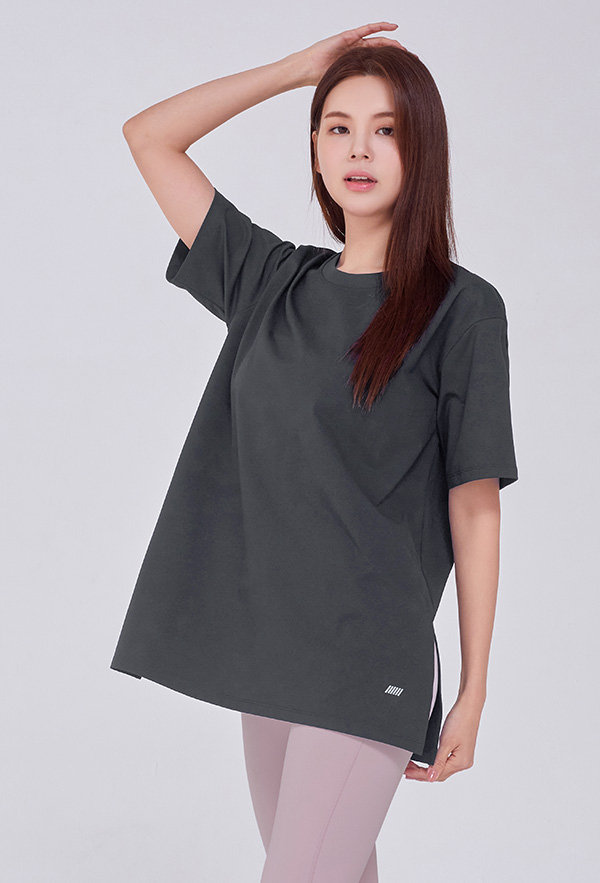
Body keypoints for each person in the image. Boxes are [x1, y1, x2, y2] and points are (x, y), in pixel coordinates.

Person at [110, 21, 519, 882]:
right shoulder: (272, 281)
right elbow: (149, 137)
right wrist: (296, 70)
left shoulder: (462, 309)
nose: (358, 148)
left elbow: (474, 503)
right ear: (315, 146)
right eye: (339, 126)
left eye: (386, 129)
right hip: (271, 653)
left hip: (366, 656)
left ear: (424, 149)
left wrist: (475, 689)